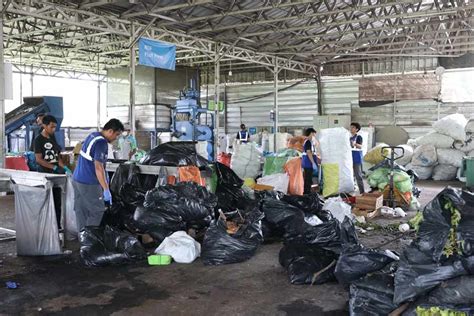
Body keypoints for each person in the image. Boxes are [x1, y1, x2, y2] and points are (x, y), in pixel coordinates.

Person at [72, 118, 124, 232]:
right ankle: (89, 240)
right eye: (116, 135)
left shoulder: (93, 135)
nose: (116, 138)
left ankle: (83, 242)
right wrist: (106, 189)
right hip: (89, 183)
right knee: (97, 211)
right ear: (110, 131)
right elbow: (98, 167)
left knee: (81, 211)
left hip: (77, 179)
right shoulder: (101, 143)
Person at [34, 115, 72, 228]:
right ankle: (45, 227)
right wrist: (52, 167)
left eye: (55, 127)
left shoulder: (53, 138)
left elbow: (57, 157)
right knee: (45, 201)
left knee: (57, 201)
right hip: (44, 175)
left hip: (56, 175)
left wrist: (64, 167)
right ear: (44, 126)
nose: (54, 129)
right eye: (52, 127)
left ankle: (57, 227)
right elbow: (39, 159)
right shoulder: (38, 140)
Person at [302, 128, 318, 195]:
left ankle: (308, 193)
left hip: (309, 163)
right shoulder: (308, 142)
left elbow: (313, 151)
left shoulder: (311, 142)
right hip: (308, 163)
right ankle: (306, 194)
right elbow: (309, 153)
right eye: (314, 134)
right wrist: (313, 163)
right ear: (311, 133)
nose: (314, 135)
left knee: (309, 179)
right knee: (308, 179)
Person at [350, 122, 365, 194]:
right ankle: (352, 189)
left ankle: (362, 192)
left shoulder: (358, 137)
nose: (351, 128)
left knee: (358, 175)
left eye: (353, 127)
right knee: (350, 175)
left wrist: (354, 144)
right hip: (349, 158)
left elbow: (360, 146)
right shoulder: (349, 137)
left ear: (357, 129)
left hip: (356, 158)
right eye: (351, 127)